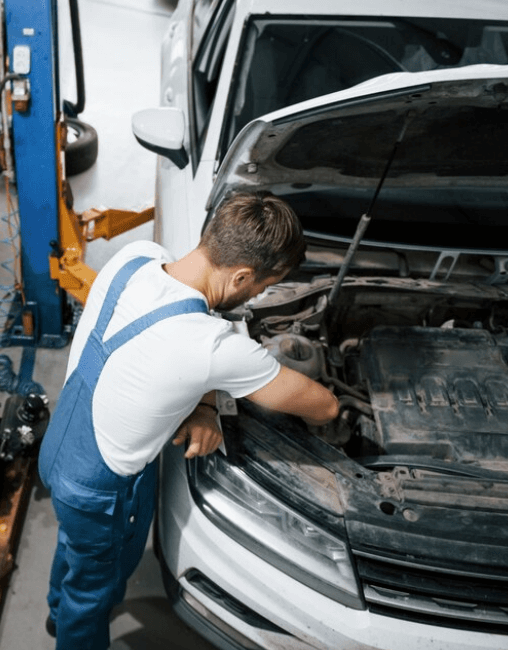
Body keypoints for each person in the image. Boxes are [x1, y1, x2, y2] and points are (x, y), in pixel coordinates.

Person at [37, 191, 340, 649]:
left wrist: (202, 404)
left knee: (75, 551)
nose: (257, 296)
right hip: (97, 490)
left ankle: (57, 614)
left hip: (61, 445)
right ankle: (72, 631)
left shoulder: (136, 257)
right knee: (92, 592)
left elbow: (169, 356)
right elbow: (324, 407)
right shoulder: (214, 347)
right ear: (241, 274)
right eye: (261, 286)